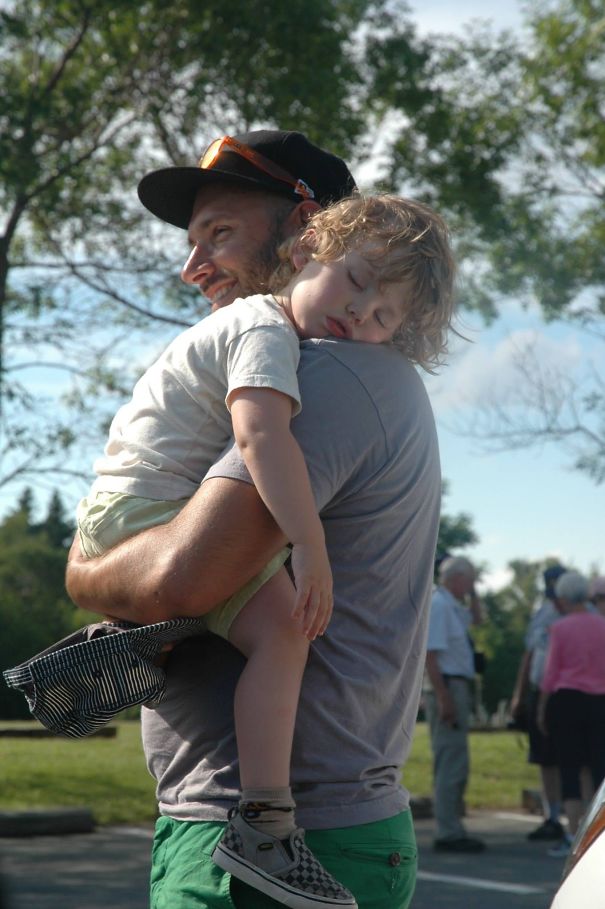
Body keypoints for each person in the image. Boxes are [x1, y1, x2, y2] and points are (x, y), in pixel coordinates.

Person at [65, 129, 450, 909]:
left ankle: (263, 820)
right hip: (253, 827)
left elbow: (184, 575)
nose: (191, 266)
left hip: (281, 846)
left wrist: (85, 573)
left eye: (221, 233)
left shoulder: (330, 369)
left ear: (306, 230)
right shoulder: (283, 353)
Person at [538, 571, 605, 859]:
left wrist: (542, 706)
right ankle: (597, 835)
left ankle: (574, 836)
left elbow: (551, 672)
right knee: (597, 768)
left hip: (566, 700)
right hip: (600, 700)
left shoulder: (560, 627)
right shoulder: (602, 625)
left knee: (569, 768)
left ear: (564, 597)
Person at [423, 555, 486, 853]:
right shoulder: (439, 606)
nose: (473, 585)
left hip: (455, 686)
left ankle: (453, 826)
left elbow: (478, 619)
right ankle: (448, 831)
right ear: (457, 578)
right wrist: (444, 697)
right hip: (447, 686)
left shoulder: (451, 606)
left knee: (455, 760)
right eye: (471, 579)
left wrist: (473, 595)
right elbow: (430, 655)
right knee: (451, 762)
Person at [510, 564, 567, 842]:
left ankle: (579, 818)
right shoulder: (542, 613)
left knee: (576, 760)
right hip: (539, 689)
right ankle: (552, 816)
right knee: (545, 758)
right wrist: (519, 695)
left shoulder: (587, 614)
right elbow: (529, 654)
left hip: (570, 693)